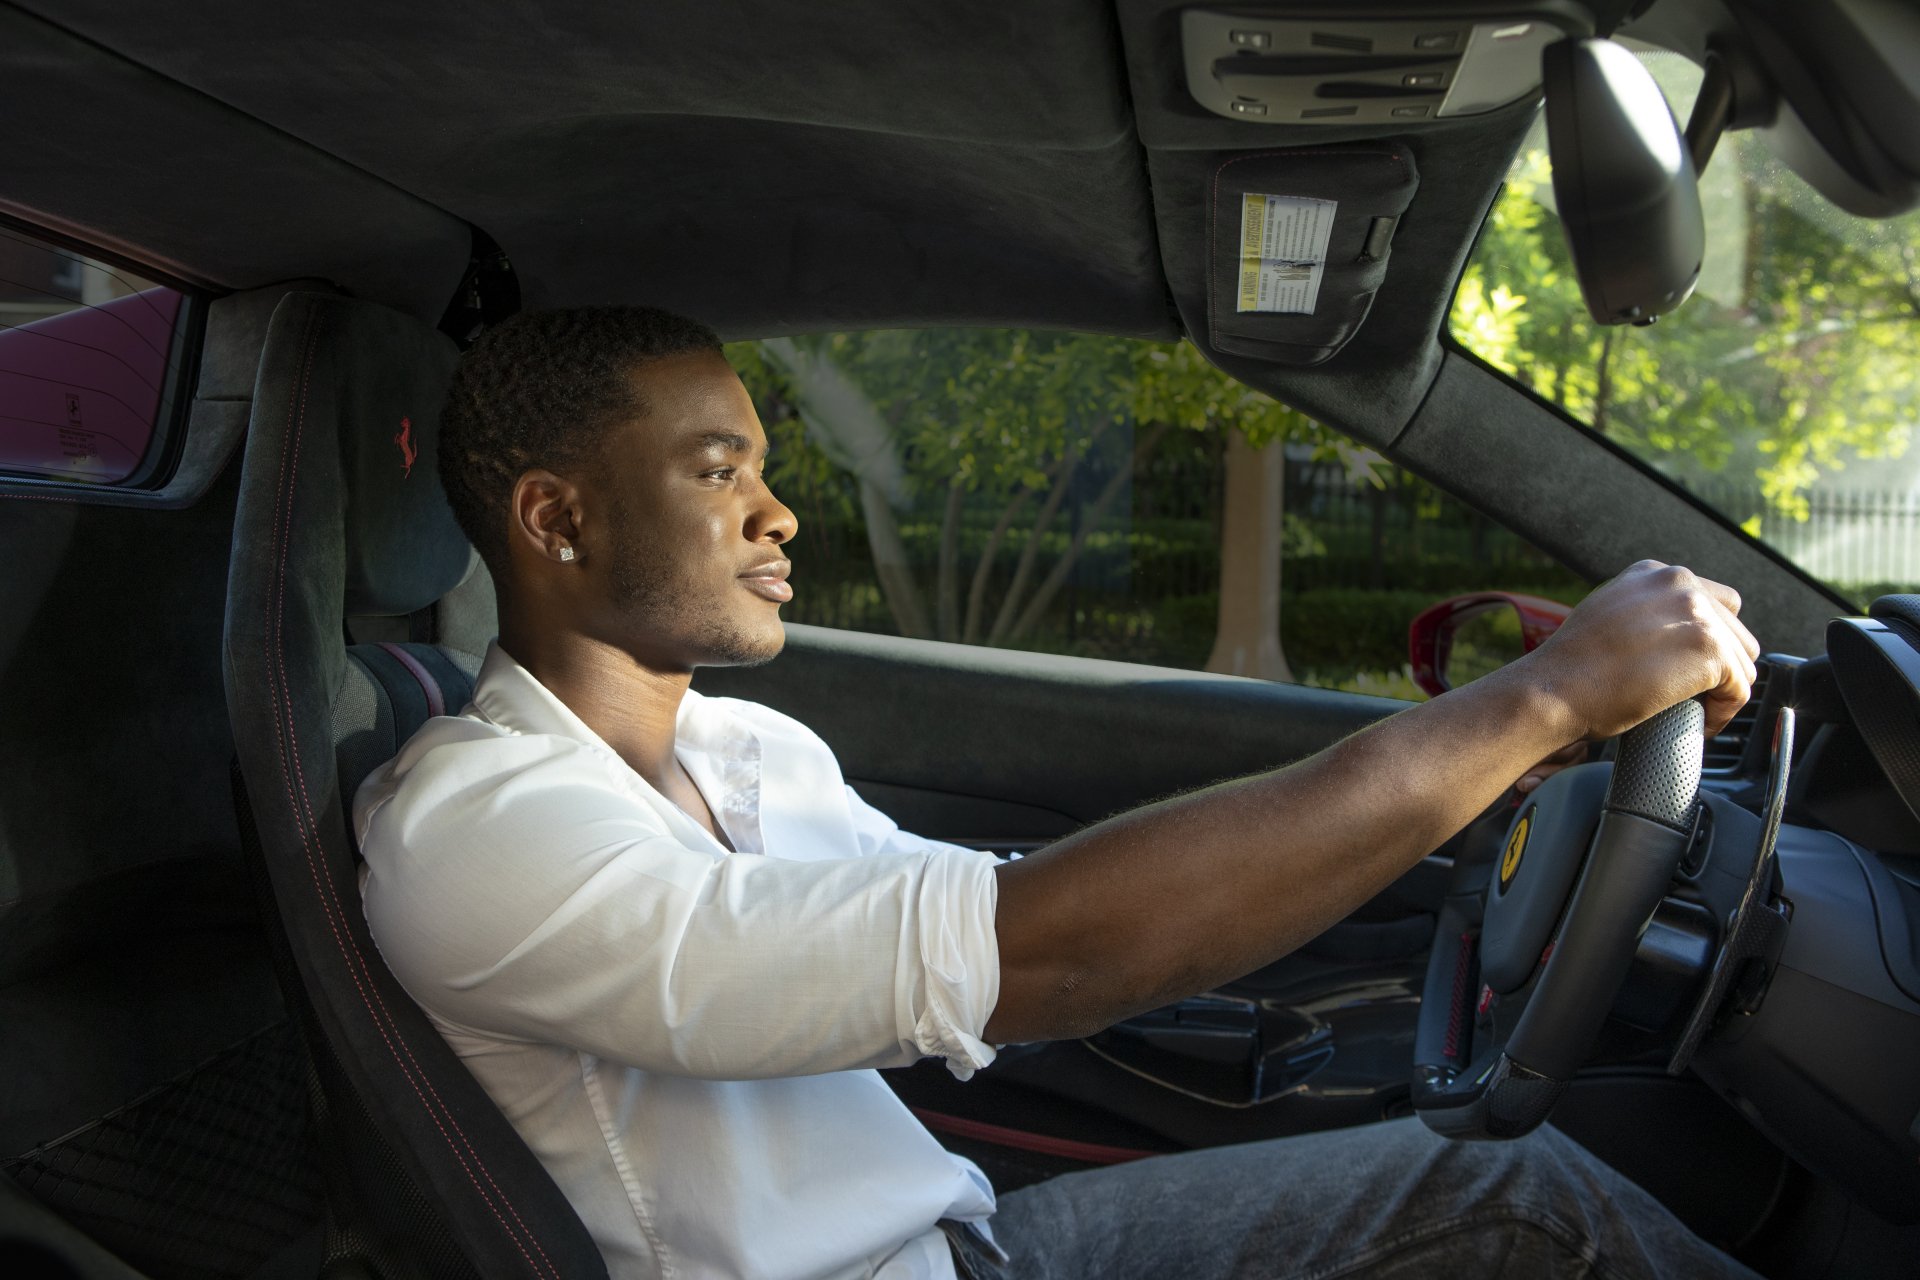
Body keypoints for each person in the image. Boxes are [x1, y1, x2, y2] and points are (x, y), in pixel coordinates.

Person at [356, 306, 1764, 1280]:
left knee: (1497, 1180)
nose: (778, 515)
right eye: (720, 473)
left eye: (766, 472)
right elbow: (1044, 951)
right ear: (556, 518)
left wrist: (1495, 762)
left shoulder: (748, 750)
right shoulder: (477, 829)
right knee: (1521, 1204)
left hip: (969, 1247)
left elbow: (1012, 908)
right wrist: (1539, 696)